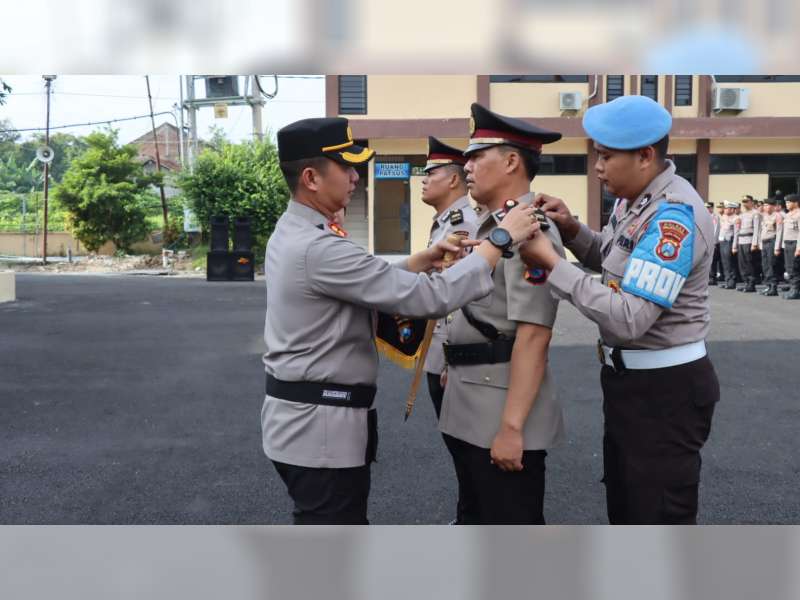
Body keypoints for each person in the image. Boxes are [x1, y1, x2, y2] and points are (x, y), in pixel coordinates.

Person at [261, 116, 541, 525]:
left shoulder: (297, 231)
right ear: (311, 178)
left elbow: (366, 276)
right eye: (345, 167)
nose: (355, 177)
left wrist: (421, 260)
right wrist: (500, 239)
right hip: (319, 429)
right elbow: (431, 297)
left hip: (311, 422)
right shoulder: (317, 247)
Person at [521, 95, 719, 524]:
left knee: (657, 515)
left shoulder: (674, 218)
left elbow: (629, 317)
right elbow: (614, 263)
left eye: (607, 156)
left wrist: (553, 264)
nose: (597, 166)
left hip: (665, 391)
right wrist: (573, 231)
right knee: (629, 506)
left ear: (646, 155)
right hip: (633, 384)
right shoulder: (635, 200)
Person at [438, 103, 566, 525]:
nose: (467, 165)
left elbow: (534, 335)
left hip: (500, 410)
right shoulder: (490, 226)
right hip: (470, 399)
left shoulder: (530, 228)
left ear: (512, 161)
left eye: (477, 156)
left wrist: (512, 428)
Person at [420, 136, 479, 419]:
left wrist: (449, 359)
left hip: (450, 355)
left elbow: (460, 298)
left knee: (465, 450)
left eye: (431, 173)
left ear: (454, 180)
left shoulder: (463, 224)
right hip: (439, 353)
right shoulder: (446, 222)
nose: (424, 179)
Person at [733, 195, 761, 293]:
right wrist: (735, 245)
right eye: (743, 201)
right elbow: (738, 230)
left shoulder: (756, 214)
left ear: (752, 202)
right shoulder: (742, 215)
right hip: (741, 240)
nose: (745, 203)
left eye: (747, 201)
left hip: (749, 240)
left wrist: (754, 243)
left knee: (750, 263)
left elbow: (757, 229)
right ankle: (746, 282)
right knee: (742, 263)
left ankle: (751, 283)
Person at [777, 193, 800, 299]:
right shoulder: (787, 215)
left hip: (795, 243)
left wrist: (799, 248)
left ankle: (795, 290)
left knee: (795, 268)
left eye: (789, 202)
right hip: (787, 243)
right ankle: (792, 288)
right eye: (786, 202)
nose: (786, 204)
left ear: (795, 203)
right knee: (788, 267)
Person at [757, 197, 781, 296]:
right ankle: (768, 286)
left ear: (773, 206)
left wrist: (777, 247)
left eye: (767, 205)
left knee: (772, 265)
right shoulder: (763, 216)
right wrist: (759, 243)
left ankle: (773, 287)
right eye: (764, 205)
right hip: (764, 242)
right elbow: (761, 230)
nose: (765, 207)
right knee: (765, 265)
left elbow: (779, 232)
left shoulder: (777, 216)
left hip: (772, 242)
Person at [718, 201, 738, 289]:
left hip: (729, 241)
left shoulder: (736, 218)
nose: (725, 210)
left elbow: (736, 233)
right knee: (724, 262)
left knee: (730, 262)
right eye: (725, 208)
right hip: (722, 241)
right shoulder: (723, 217)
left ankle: (731, 281)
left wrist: (734, 246)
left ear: (732, 209)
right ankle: (727, 280)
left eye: (727, 208)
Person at [707, 202, 721, 285]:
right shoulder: (705, 217)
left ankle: (712, 278)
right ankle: (708, 277)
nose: (707, 209)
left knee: (713, 261)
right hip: (706, 242)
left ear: (712, 208)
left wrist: (714, 242)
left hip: (712, 242)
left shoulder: (715, 217)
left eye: (708, 207)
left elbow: (716, 230)